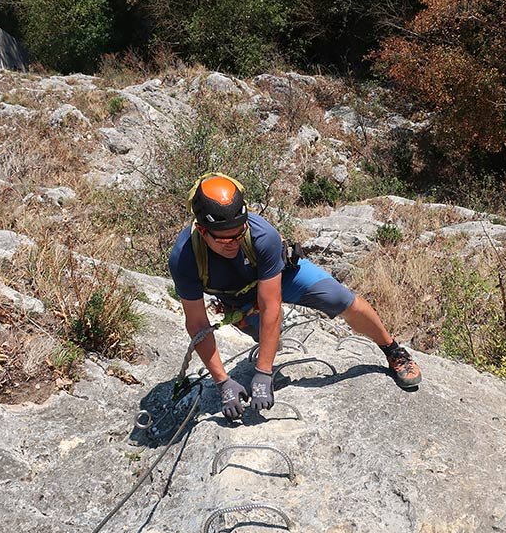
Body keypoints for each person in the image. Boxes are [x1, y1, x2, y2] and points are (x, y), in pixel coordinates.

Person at [168, 173, 422, 419]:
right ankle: (266, 346)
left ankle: (393, 350)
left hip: (284, 277)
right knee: (265, 336)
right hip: (239, 300)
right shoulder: (184, 258)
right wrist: (223, 382)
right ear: (202, 231)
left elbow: (271, 305)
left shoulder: (262, 236)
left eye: (239, 233)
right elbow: (197, 324)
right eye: (225, 240)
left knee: (339, 298)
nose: (234, 242)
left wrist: (263, 372)